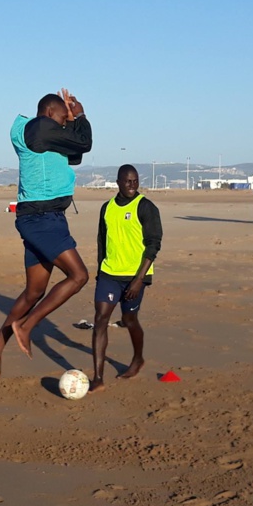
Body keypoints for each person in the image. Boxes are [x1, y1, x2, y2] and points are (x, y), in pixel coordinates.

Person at [0, 89, 92, 379]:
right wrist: (79, 114)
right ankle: (27, 326)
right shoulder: (41, 127)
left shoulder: (46, 135)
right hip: (43, 219)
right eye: (60, 118)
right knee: (79, 276)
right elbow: (86, 142)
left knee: (34, 291)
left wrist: (69, 121)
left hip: (39, 217)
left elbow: (77, 154)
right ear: (48, 114)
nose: (62, 123)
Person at [90, 164, 162, 393]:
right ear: (118, 182)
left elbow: (153, 244)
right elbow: (102, 241)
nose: (132, 185)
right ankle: (98, 377)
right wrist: (100, 271)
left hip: (135, 276)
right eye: (127, 181)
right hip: (109, 273)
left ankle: (138, 358)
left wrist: (139, 279)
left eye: (135, 181)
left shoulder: (146, 207)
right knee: (101, 319)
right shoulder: (107, 208)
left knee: (129, 320)